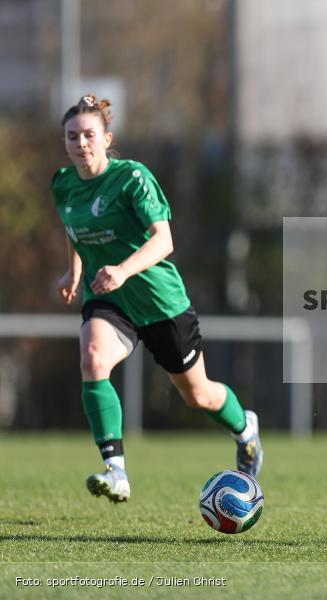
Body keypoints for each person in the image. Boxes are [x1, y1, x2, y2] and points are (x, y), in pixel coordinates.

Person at [53, 95, 263, 503]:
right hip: (111, 302)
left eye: (89, 135)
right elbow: (74, 225)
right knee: (93, 356)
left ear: (106, 137)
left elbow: (163, 240)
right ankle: (116, 470)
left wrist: (122, 270)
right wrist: (74, 269)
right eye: (72, 136)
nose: (81, 143)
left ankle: (245, 429)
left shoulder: (132, 178)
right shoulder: (63, 184)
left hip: (160, 302)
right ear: (65, 142)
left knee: (197, 394)